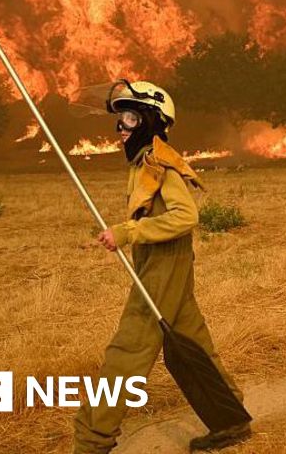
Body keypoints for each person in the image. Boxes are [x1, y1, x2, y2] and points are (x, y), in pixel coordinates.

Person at [74, 80, 251, 453]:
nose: (120, 129)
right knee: (194, 344)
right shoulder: (143, 165)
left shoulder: (161, 164)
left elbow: (186, 216)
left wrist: (127, 232)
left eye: (129, 119)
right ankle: (231, 419)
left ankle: (92, 441)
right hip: (162, 263)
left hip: (164, 266)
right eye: (119, 120)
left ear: (150, 122)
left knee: (128, 350)